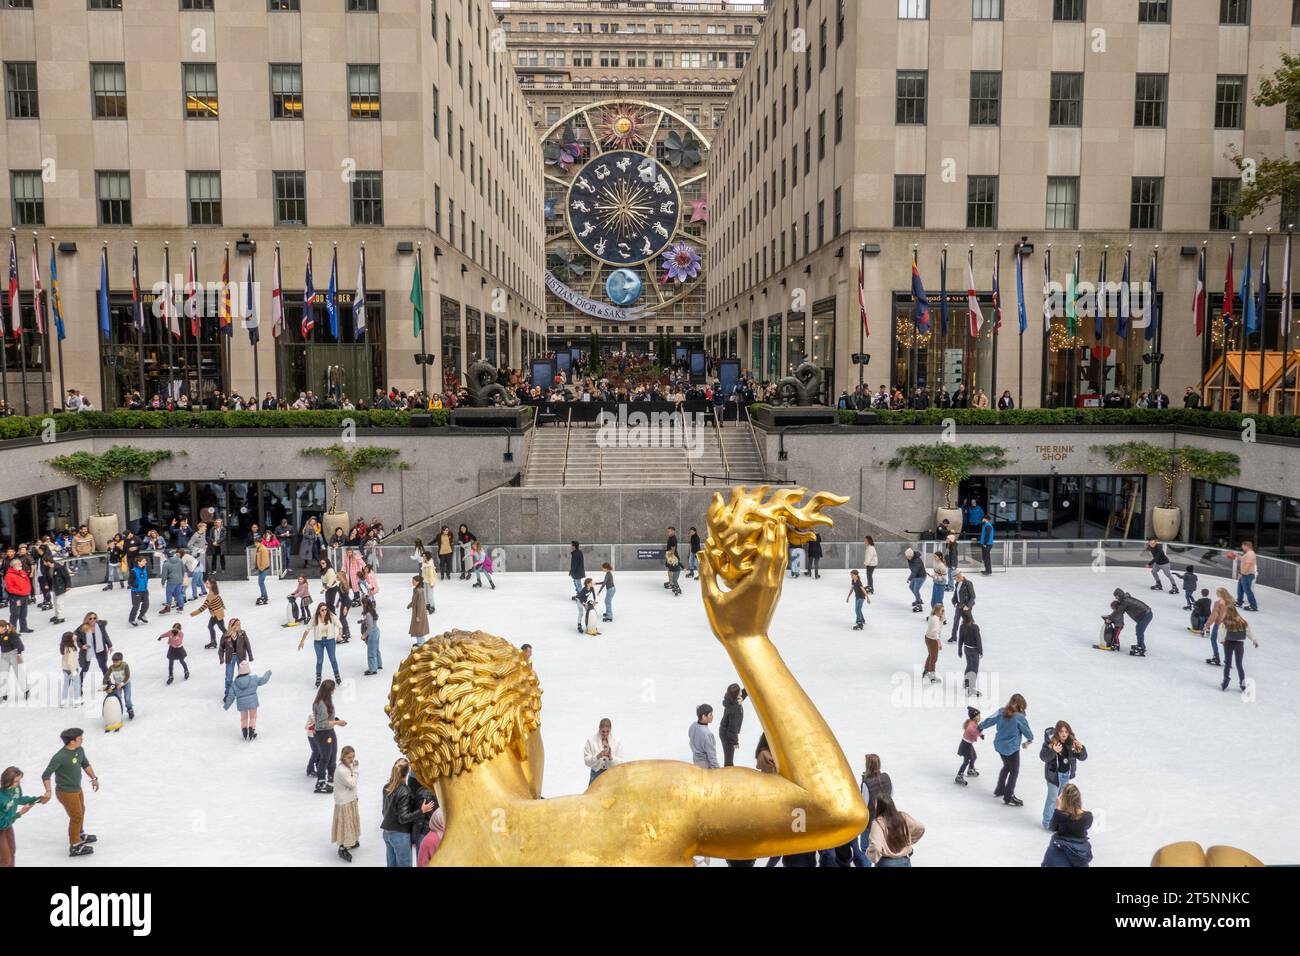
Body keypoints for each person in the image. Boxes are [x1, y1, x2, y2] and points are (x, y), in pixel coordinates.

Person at [41, 728, 99, 857]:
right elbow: (46, 775)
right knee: (76, 816)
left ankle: (79, 834)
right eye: (80, 738)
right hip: (65, 792)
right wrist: (48, 791)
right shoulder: (60, 757)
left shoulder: (79, 750)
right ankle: (75, 846)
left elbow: (86, 764)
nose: (82, 739)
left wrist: (94, 778)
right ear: (72, 742)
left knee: (81, 811)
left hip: (77, 789)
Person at [978, 694, 1034, 807]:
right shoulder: (1020, 718)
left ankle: (1000, 789)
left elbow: (989, 720)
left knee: (1007, 766)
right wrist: (1029, 740)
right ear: (1022, 706)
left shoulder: (1001, 711)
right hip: (1011, 749)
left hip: (999, 746)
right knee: (1014, 771)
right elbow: (1028, 733)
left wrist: (980, 727)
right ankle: (1008, 796)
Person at [381, 758, 432, 867]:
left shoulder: (387, 787)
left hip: (387, 833)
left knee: (391, 864)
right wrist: (421, 811)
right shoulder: (405, 791)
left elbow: (384, 811)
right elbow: (403, 818)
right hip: (400, 835)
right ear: (408, 771)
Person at [1039, 720, 1088, 829]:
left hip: (1066, 775)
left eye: (1066, 731)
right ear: (1057, 732)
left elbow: (1083, 758)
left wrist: (1081, 749)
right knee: (1052, 798)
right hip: (1053, 776)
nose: (1064, 734)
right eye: (1061, 731)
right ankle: (1047, 822)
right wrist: (1054, 751)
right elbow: (1043, 757)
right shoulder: (1050, 743)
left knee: (1062, 800)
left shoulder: (1071, 743)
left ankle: (1058, 822)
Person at [0, 766, 47, 867]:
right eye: (17, 781)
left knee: (12, 851)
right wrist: (20, 813)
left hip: (8, 824)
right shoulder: (1, 797)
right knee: (4, 860)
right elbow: (1, 823)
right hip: (1, 826)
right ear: (8, 781)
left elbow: (19, 799)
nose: (19, 783)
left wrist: (37, 799)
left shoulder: (16, 788)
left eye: (19, 780)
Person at [1041, 784, 1093, 867]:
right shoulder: (1088, 816)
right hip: (1080, 852)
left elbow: (1052, 827)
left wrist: (1057, 809)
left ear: (1064, 800)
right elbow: (1086, 825)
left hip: (1060, 851)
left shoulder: (1060, 816)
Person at [866, 796, 925, 867]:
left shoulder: (878, 823)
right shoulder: (903, 816)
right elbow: (920, 828)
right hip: (905, 861)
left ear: (879, 807)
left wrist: (872, 857)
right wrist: (909, 840)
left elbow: (876, 847)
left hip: (886, 863)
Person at [311, 681, 346, 794]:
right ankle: (321, 782)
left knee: (332, 755)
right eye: (333, 689)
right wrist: (338, 722)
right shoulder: (321, 704)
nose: (334, 690)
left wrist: (335, 720)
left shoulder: (327, 700)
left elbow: (327, 718)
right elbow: (321, 724)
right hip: (323, 734)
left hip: (329, 732)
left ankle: (332, 777)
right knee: (325, 757)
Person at [223, 661, 272, 740]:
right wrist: (268, 673)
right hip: (253, 703)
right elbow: (263, 680)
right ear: (248, 670)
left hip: (242, 704)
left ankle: (244, 730)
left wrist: (226, 706)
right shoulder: (254, 679)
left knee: (244, 718)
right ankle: (252, 729)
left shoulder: (235, 683)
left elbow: (231, 696)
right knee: (253, 717)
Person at [1219, 603, 1260, 693]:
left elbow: (1222, 632)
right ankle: (1243, 684)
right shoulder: (1243, 621)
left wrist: (1221, 640)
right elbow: (1249, 632)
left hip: (1229, 643)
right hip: (1239, 644)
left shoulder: (1226, 621)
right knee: (1239, 664)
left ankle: (1226, 681)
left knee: (1227, 663)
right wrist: (1254, 640)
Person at [300, 604, 342, 688]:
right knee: (319, 660)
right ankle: (318, 677)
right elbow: (307, 629)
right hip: (318, 642)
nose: (324, 611)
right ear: (319, 610)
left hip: (330, 640)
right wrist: (302, 641)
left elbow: (340, 626)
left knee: (333, 659)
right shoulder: (315, 617)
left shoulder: (331, 616)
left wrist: (340, 634)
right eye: (322, 610)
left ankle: (337, 675)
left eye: (325, 609)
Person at [333, 747, 360, 862]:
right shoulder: (341, 770)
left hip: (350, 799)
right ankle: (343, 846)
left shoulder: (347, 767)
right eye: (349, 757)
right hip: (344, 802)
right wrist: (356, 769)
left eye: (353, 757)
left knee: (351, 822)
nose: (352, 759)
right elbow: (352, 783)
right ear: (343, 757)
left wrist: (354, 797)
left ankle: (351, 841)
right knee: (346, 823)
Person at [218, 619, 254, 704]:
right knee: (229, 677)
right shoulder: (225, 635)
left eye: (239, 624)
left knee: (243, 676)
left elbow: (247, 645)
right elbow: (221, 648)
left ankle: (245, 693)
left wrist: (250, 656)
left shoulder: (242, 633)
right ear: (232, 625)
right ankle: (228, 694)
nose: (239, 626)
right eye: (237, 624)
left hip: (241, 657)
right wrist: (221, 658)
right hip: (230, 658)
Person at [1109, 588, 1153, 657]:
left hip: (1146, 615)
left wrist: (1109, 618)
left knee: (1139, 631)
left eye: (1116, 596)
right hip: (1144, 615)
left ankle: (1141, 648)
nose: (1116, 598)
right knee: (1138, 630)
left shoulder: (1125, 601)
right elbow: (1119, 611)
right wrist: (1111, 616)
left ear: (1118, 595)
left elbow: (1118, 611)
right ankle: (1140, 645)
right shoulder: (1125, 599)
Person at [583, 718, 623, 784]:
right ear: (599, 729)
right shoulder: (591, 741)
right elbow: (587, 761)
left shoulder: (617, 742)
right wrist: (598, 756)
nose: (605, 734)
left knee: (611, 794)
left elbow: (620, 762)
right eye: (603, 731)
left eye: (607, 731)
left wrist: (610, 757)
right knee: (593, 794)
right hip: (596, 774)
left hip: (611, 774)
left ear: (610, 729)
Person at [190, 578, 226, 649]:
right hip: (216, 613)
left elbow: (204, 606)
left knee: (222, 628)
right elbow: (219, 598)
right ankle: (214, 642)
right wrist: (222, 605)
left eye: (207, 583)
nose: (205, 584)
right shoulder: (214, 591)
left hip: (217, 614)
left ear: (211, 585)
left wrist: (194, 613)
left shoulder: (211, 594)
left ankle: (231, 640)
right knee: (212, 626)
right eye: (206, 583)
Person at [1203, 586, 1233, 666]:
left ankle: (1216, 657)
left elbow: (1214, 615)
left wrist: (1207, 625)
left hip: (1219, 624)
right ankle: (1228, 660)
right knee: (1225, 642)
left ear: (1219, 594)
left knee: (1213, 639)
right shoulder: (1230, 602)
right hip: (1228, 625)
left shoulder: (1218, 603)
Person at [957, 609, 984, 697]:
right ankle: (971, 689)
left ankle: (966, 683)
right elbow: (978, 640)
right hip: (974, 650)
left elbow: (960, 639)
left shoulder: (962, 626)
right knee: (974, 669)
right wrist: (980, 651)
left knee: (969, 665)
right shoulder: (974, 627)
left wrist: (960, 650)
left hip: (966, 649)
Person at [0, 622, 29, 703]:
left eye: (0, 627)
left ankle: (26, 690)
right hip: (4, 656)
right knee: (2, 674)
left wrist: (19, 655)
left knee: (19, 673)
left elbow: (20, 645)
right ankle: (3, 694)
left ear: (4, 627)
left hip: (14, 654)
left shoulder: (11, 634)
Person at [719, 684, 747, 767]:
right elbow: (732, 728)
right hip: (727, 735)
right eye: (740, 691)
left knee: (729, 757)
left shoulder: (730, 699)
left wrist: (747, 689)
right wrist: (735, 742)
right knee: (729, 759)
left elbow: (743, 694)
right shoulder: (735, 709)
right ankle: (727, 775)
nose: (742, 692)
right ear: (737, 695)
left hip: (725, 730)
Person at [3, 560, 33, 633]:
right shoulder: (9, 575)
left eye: (20, 563)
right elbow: (10, 588)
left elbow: (27, 582)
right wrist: (21, 592)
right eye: (18, 564)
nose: (20, 564)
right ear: (13, 565)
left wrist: (28, 591)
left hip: (24, 596)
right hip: (16, 597)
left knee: (23, 613)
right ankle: (12, 631)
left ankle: (24, 628)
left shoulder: (22, 572)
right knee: (15, 614)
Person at [103, 652, 134, 723]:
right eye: (113, 661)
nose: (115, 663)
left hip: (126, 683)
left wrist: (122, 683)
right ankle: (118, 712)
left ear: (121, 660)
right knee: (118, 698)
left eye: (116, 661)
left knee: (127, 698)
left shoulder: (125, 665)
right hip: (117, 684)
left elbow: (127, 675)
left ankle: (130, 709)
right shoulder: (112, 667)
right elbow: (106, 675)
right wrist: (104, 684)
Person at [955, 707, 983, 785]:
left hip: (969, 744)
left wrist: (980, 734)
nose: (980, 717)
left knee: (974, 757)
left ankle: (970, 770)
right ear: (974, 717)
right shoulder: (971, 724)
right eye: (978, 716)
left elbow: (975, 731)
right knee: (966, 761)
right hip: (965, 745)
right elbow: (970, 730)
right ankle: (959, 775)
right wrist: (979, 733)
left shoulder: (974, 723)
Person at [689, 704, 720, 769]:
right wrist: (717, 769)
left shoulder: (693, 726)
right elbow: (712, 755)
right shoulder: (708, 734)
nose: (712, 716)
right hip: (705, 764)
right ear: (704, 716)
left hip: (695, 761)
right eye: (710, 714)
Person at [360, 596, 382, 676]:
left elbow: (370, 627)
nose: (361, 605)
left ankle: (372, 669)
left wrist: (364, 635)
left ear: (365, 604)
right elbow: (372, 622)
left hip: (372, 634)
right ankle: (379, 664)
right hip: (377, 631)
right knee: (376, 649)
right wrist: (363, 621)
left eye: (362, 603)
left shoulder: (368, 614)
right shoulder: (373, 611)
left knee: (371, 652)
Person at [922, 604, 944, 683]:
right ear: (937, 610)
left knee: (931, 655)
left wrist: (941, 618)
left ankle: (926, 670)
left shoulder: (933, 616)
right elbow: (935, 632)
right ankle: (932, 676)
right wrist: (939, 643)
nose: (943, 612)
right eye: (942, 610)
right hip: (932, 640)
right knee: (934, 658)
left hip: (927, 638)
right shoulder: (935, 619)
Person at [1236, 541, 1259, 612]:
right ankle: (1239, 602)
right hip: (1244, 574)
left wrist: (1242, 573)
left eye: (1242, 546)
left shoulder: (1250, 554)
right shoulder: (1248, 554)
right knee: (1240, 588)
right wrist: (1236, 555)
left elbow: (1248, 564)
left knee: (1247, 590)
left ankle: (1253, 606)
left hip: (1247, 575)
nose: (1242, 547)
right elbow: (1243, 559)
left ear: (1246, 546)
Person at [407, 575, 429, 646]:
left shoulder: (419, 591)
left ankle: (421, 643)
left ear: (418, 582)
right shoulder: (416, 590)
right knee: (418, 628)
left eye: (413, 581)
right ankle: (421, 642)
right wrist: (410, 605)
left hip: (419, 613)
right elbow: (414, 600)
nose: (412, 582)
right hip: (416, 612)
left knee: (419, 629)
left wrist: (418, 616)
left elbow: (420, 604)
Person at [58, 632, 79, 707]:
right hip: (72, 669)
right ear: (70, 638)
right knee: (76, 684)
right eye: (73, 636)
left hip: (65, 669)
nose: (75, 636)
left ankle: (63, 701)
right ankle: (76, 701)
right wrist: (73, 671)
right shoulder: (71, 649)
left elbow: (65, 660)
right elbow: (70, 662)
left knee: (66, 685)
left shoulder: (64, 647)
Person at [904, 548, 926, 612]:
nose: (907, 558)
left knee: (916, 590)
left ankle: (919, 605)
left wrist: (909, 578)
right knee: (911, 587)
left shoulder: (917, 560)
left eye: (909, 557)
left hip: (920, 576)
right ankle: (919, 599)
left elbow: (915, 571)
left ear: (912, 555)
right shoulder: (910, 559)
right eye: (907, 557)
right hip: (916, 576)